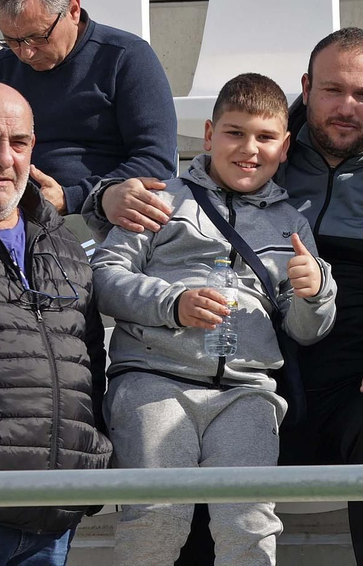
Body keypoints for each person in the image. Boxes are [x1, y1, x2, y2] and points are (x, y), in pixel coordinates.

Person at [94, 28, 363, 566]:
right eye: (332, 90)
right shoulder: (258, 156)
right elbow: (124, 249)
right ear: (306, 88)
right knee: (191, 469)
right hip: (257, 376)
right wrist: (107, 196)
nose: (346, 107)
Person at [92, 73, 337, 566]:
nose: (249, 149)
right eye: (234, 132)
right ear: (208, 135)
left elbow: (306, 330)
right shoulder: (160, 199)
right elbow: (103, 276)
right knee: (156, 520)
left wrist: (316, 293)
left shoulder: (292, 222)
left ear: (285, 147)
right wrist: (172, 303)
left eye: (265, 137)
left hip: (247, 393)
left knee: (249, 527)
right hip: (152, 382)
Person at [0, 82, 111, 565]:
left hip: (55, 515)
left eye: (18, 143)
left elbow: (90, 362)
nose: (3, 158)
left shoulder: (63, 245)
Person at [0, 0, 175, 225]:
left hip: (95, 217)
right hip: (9, 208)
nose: (25, 52)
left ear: (73, 10)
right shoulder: (2, 67)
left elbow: (156, 161)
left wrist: (71, 197)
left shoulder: (126, 58)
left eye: (37, 37)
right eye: (11, 40)